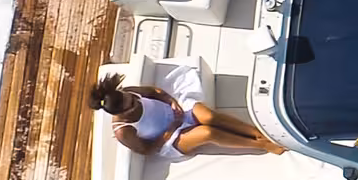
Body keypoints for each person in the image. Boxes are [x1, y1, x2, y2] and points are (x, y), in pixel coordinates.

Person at [91, 69, 284, 157]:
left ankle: (257, 132)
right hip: (171, 139)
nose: (134, 100)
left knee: (208, 116)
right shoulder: (124, 131)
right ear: (122, 113)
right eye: (131, 104)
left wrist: (171, 101)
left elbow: (154, 92)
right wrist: (172, 129)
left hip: (177, 113)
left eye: (131, 97)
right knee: (208, 132)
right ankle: (260, 145)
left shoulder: (130, 92)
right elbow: (147, 150)